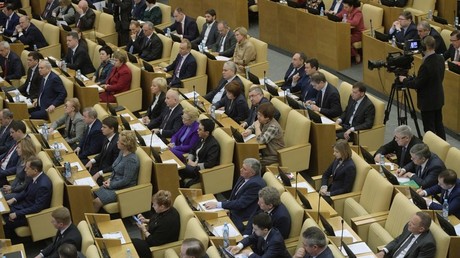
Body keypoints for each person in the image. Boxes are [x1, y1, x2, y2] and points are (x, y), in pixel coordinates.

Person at [399, 36, 446, 140]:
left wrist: (404, 80)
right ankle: (443, 147)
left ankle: (432, 149)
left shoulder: (426, 64)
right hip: (438, 97)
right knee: (439, 124)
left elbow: (417, 84)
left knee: (429, 128)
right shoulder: (440, 58)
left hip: (428, 101)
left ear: (425, 47)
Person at [204, 158, 266, 232]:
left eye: (244, 169)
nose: (241, 170)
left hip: (242, 215)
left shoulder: (256, 184)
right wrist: (225, 205)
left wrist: (219, 204)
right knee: (207, 214)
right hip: (233, 207)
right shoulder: (244, 176)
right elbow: (234, 196)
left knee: (215, 224)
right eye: (242, 167)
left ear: (252, 173)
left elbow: (241, 204)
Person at [4, 157, 52, 236]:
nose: (25, 170)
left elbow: (37, 208)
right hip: (22, 206)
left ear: (35, 170)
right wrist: (14, 199)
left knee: (5, 222)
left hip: (29, 215)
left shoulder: (43, 186)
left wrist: (17, 214)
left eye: (27, 168)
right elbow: (25, 191)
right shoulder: (33, 177)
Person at [93, 130, 140, 212]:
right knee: (91, 194)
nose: (117, 142)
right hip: (114, 183)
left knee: (96, 202)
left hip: (123, 189)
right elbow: (115, 169)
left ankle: (93, 222)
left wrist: (110, 185)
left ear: (126, 145)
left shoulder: (131, 160)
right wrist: (109, 179)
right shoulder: (122, 152)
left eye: (119, 142)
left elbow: (126, 180)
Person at [132, 190, 180, 258]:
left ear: (162, 206)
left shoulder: (167, 221)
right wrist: (145, 220)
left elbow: (154, 241)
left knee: (133, 244)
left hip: (156, 246)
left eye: (154, 205)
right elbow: (156, 221)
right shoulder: (167, 210)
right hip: (152, 238)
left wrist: (144, 229)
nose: (152, 206)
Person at [180, 119, 220, 187]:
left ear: (207, 132)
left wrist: (195, 164)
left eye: (200, 129)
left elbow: (210, 163)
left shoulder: (213, 145)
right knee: (179, 168)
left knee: (179, 168)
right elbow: (192, 149)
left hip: (199, 171)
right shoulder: (201, 138)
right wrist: (189, 159)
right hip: (192, 165)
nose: (197, 131)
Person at [243, 102, 284, 167]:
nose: (258, 117)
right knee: (245, 156)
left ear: (267, 118)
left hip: (273, 156)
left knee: (252, 165)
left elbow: (260, 140)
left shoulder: (273, 127)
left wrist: (256, 127)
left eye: (260, 115)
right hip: (264, 151)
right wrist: (249, 130)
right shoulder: (262, 120)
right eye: (258, 114)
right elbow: (253, 126)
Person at [86, 116, 120, 184]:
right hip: (100, 166)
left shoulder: (118, 144)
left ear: (112, 129)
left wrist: (100, 173)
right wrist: (92, 161)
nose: (101, 129)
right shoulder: (106, 137)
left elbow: (115, 165)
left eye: (104, 127)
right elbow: (102, 153)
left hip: (107, 174)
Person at [0, 120, 27, 186]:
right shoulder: (17, 139)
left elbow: (17, 167)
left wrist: (1, 172)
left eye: (12, 132)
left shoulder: (26, 145)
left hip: (6, 173)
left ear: (19, 132)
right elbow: (7, 153)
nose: (10, 135)